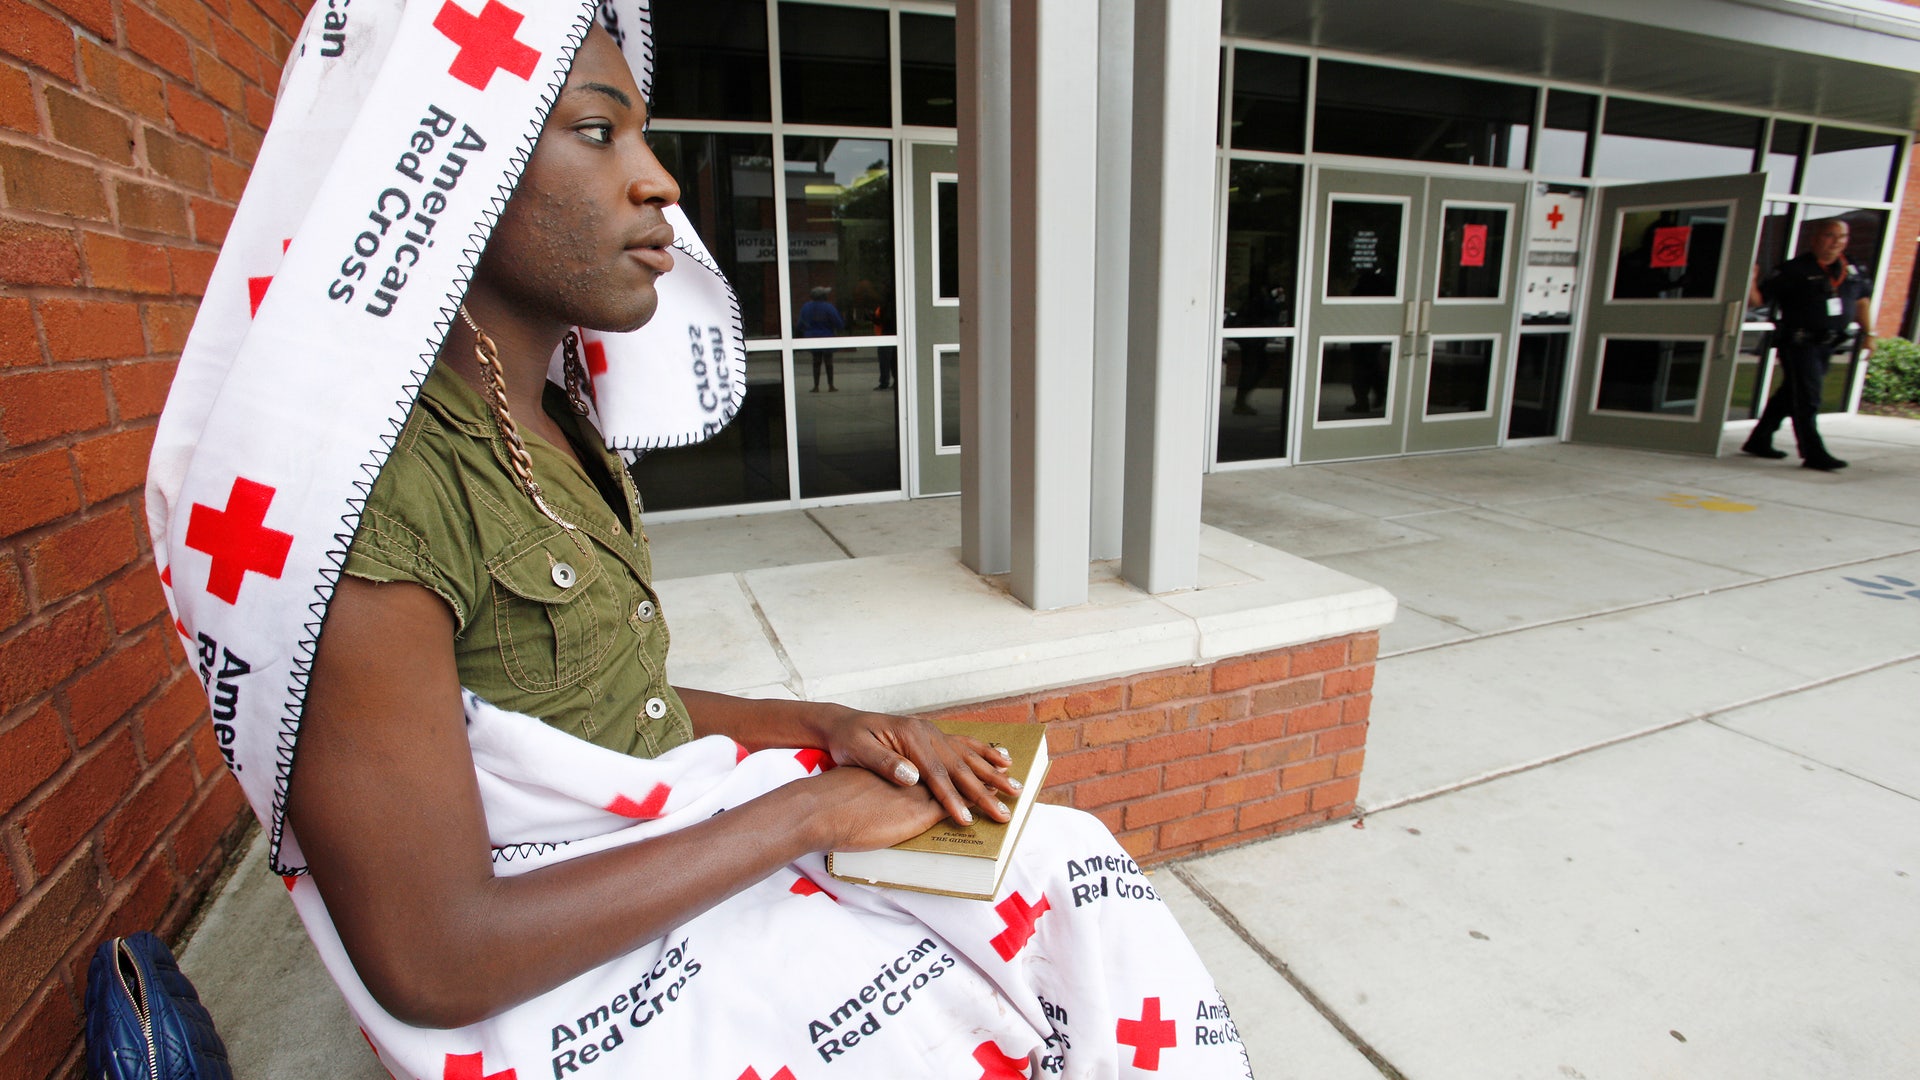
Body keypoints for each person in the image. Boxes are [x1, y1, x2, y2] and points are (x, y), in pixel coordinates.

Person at [147, 5, 1246, 1077]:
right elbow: (433, 960)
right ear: (447, 159)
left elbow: (615, 713)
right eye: (596, 130)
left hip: (655, 849)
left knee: (1065, 861)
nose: (661, 178)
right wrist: (807, 806)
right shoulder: (371, 499)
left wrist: (831, 727)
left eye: (641, 130)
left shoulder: (556, 420)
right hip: (562, 982)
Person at [1744, 218, 1873, 471]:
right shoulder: (1793, 270)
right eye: (1830, 235)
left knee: (1790, 394)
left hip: (1828, 344)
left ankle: (1759, 439)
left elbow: (1862, 302)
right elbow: (1758, 300)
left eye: (1842, 236)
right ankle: (1813, 452)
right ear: (1815, 238)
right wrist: (1750, 279)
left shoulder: (1853, 268)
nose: (1837, 241)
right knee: (1808, 398)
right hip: (1800, 343)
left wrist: (1870, 333)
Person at [798, 285, 844, 391]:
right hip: (827, 336)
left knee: (816, 362)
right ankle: (831, 385)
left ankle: (816, 386)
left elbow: (800, 324)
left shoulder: (806, 307)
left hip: (812, 337)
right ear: (823, 296)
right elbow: (838, 322)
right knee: (828, 362)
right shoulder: (828, 307)